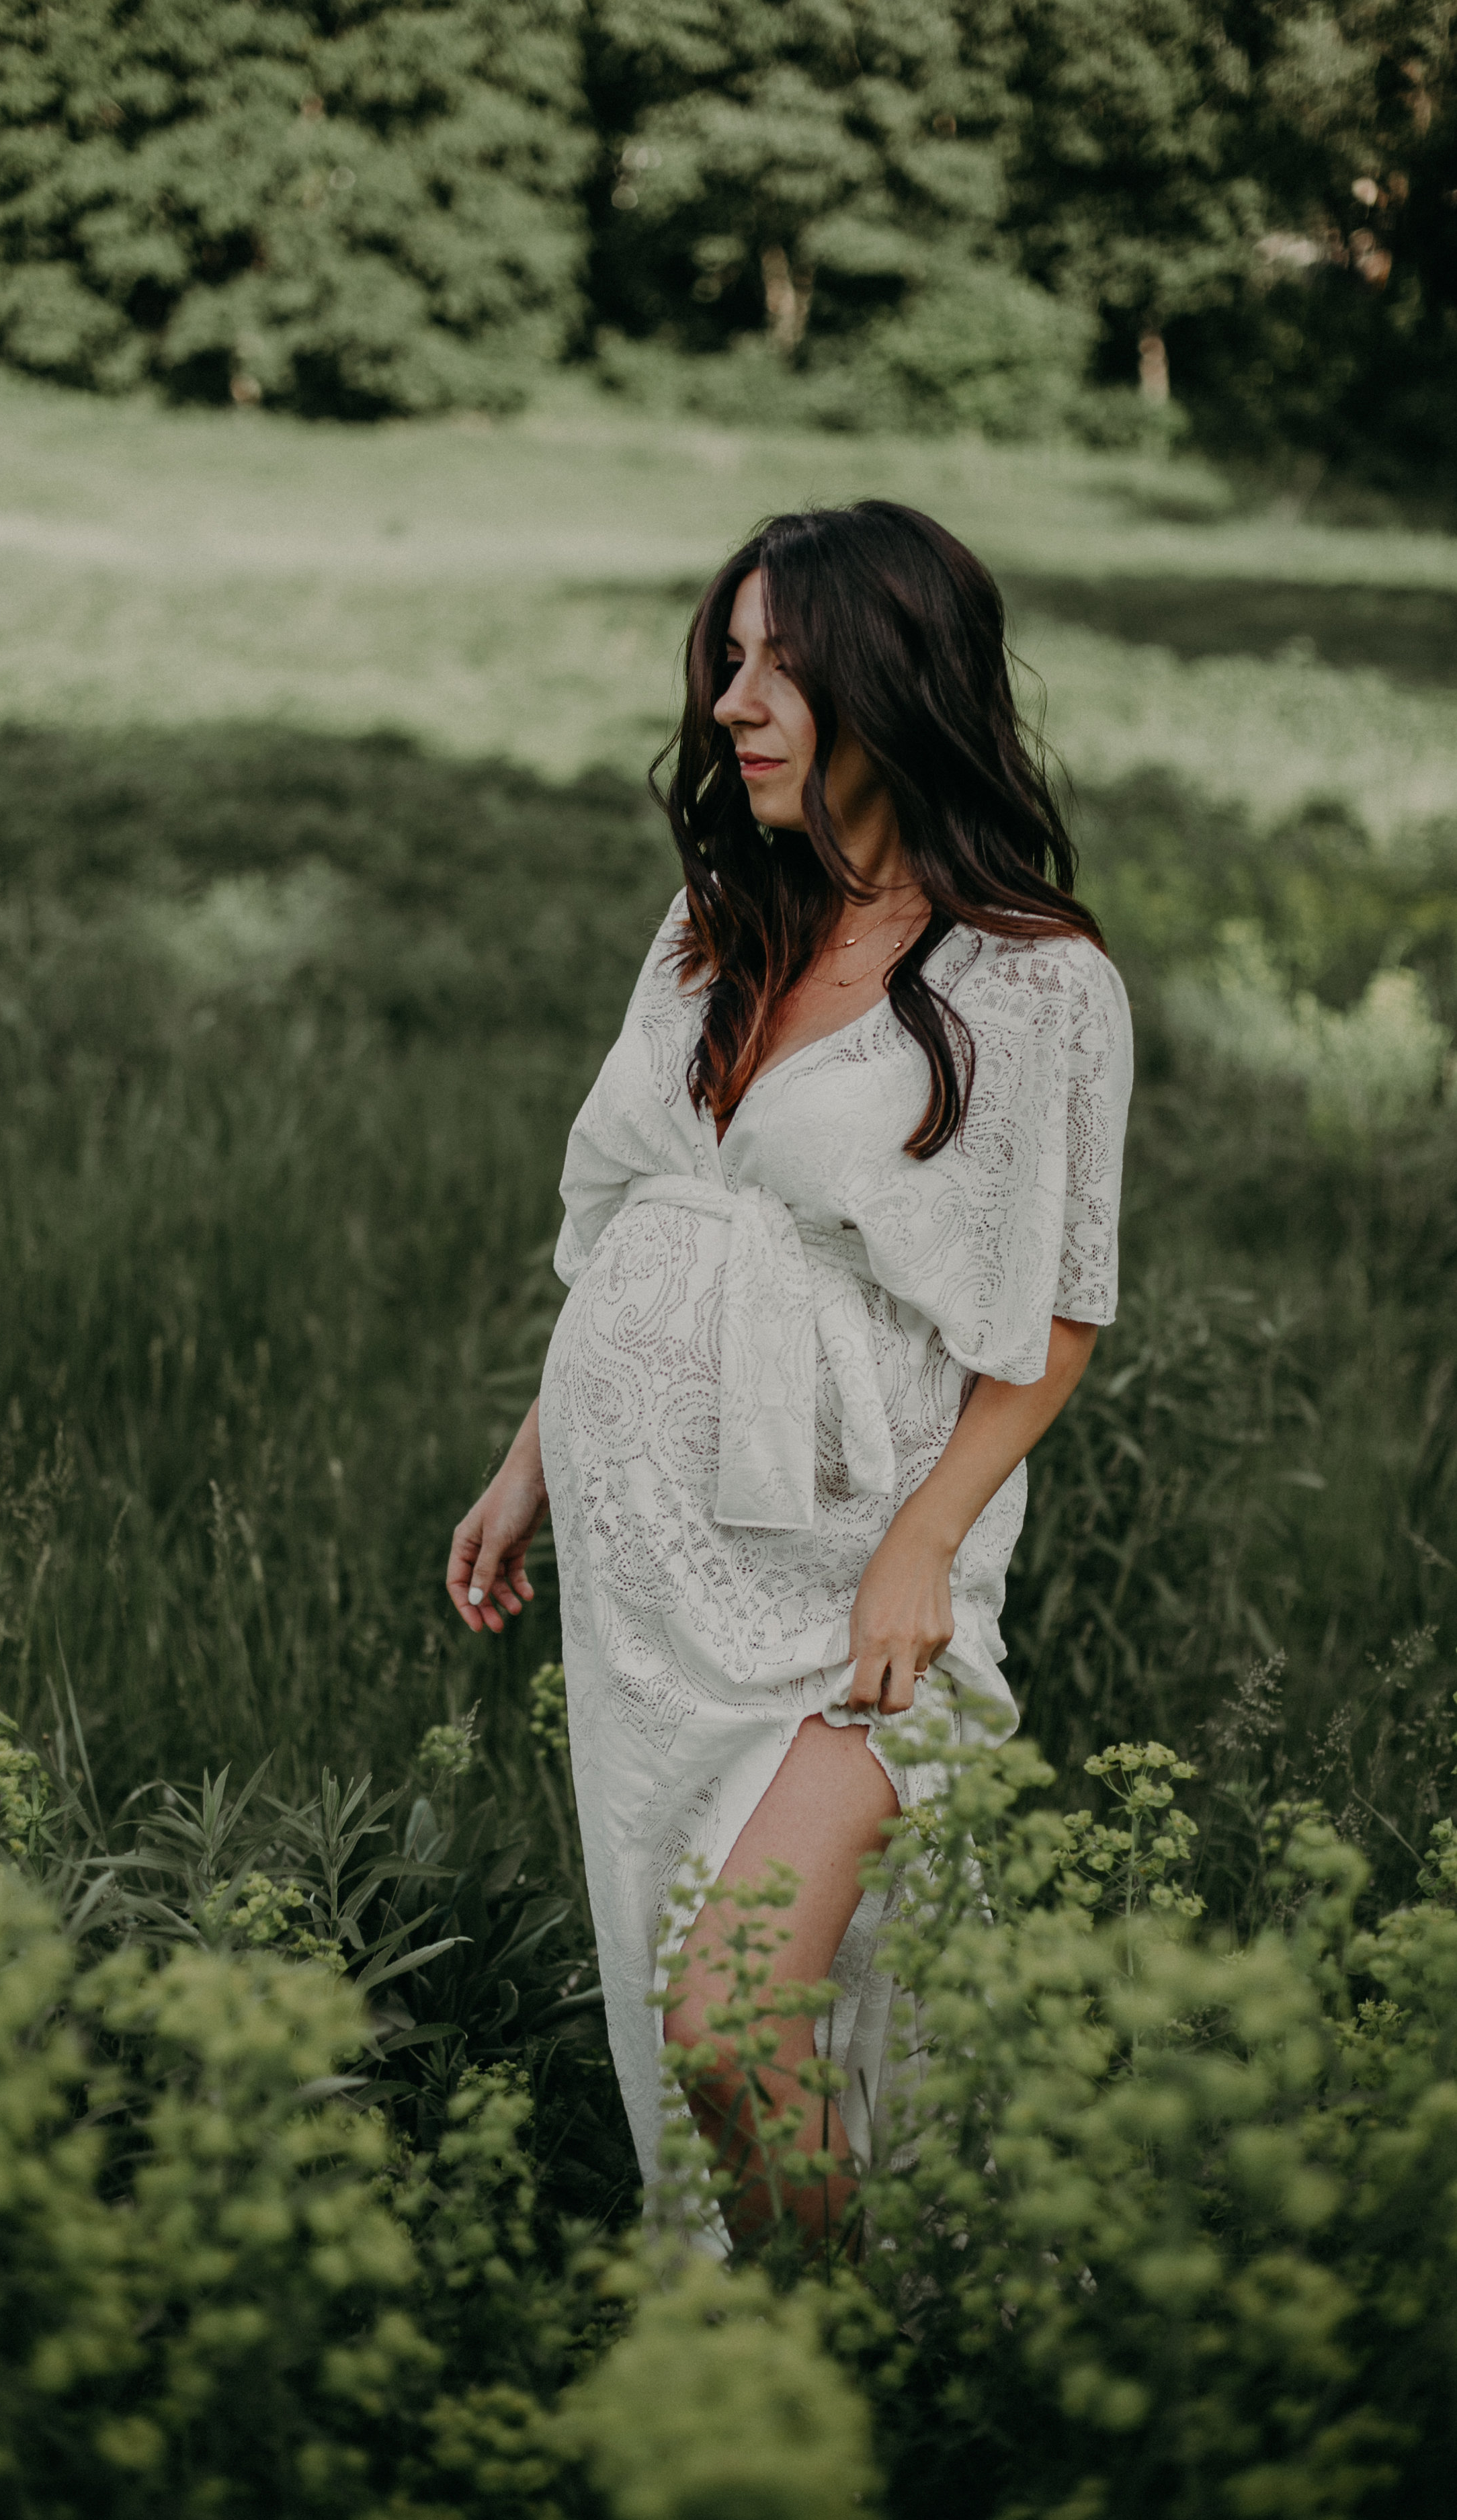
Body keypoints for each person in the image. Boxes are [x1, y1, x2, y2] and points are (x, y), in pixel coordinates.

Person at [446, 500, 1132, 2243]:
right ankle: (809, 2356)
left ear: (888, 683)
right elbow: (632, 1226)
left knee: (731, 2028)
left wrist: (923, 1546)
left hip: (858, 1580)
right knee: (696, 1980)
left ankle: (848, 2365)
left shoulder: (1036, 982)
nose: (734, 704)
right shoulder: (705, 936)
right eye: (726, 662)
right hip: (654, 1596)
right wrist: (532, 1462)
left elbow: (1056, 1311)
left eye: (780, 667)